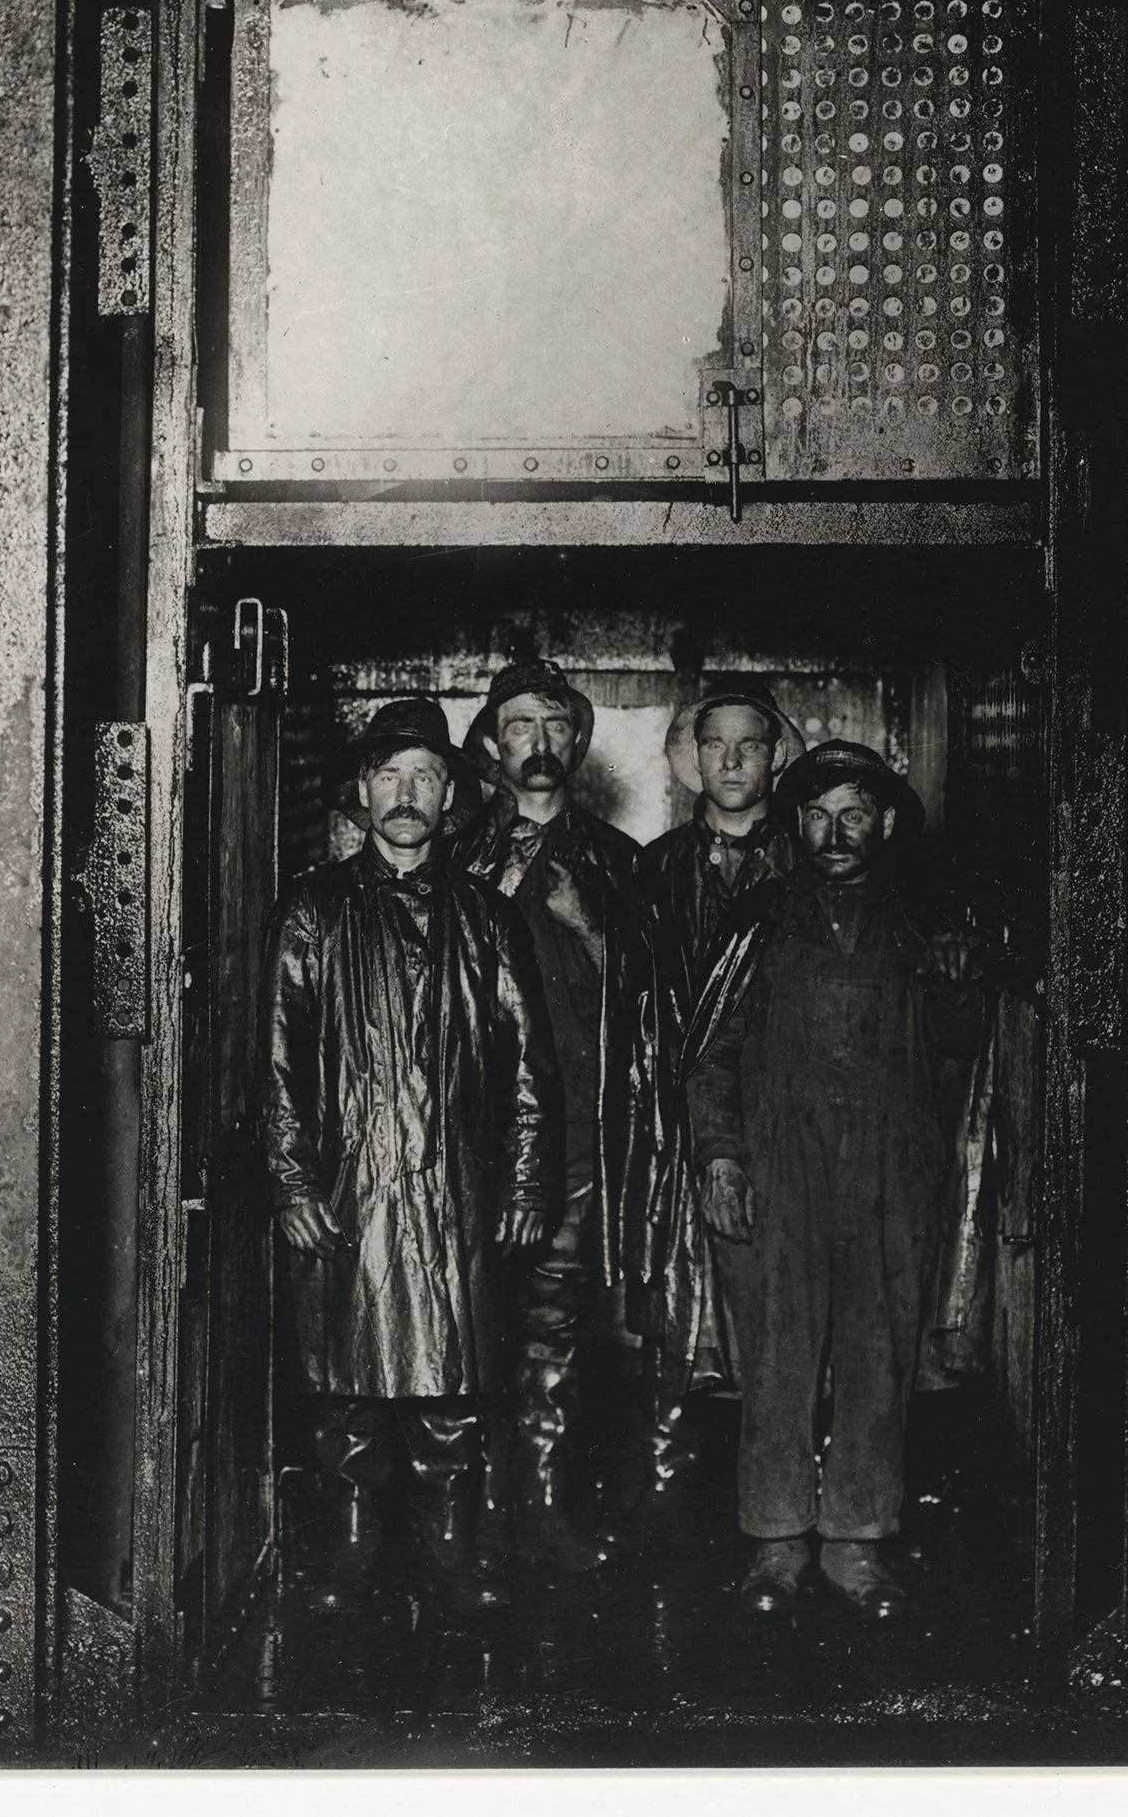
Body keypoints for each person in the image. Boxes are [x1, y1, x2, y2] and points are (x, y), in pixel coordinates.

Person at [263, 695, 556, 1617]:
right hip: (351, 1184)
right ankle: (350, 1554)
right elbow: (273, 1054)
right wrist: (291, 1177)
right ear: (360, 792)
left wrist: (521, 1181)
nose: (404, 794)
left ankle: (450, 1553)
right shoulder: (311, 911)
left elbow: (527, 1069)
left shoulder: (488, 919)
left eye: (423, 777)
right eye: (388, 776)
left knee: (454, 1383)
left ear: (448, 795)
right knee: (346, 1387)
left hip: (458, 1189)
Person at [684, 738, 986, 1619]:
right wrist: (721, 1156)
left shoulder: (925, 923)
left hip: (892, 1165)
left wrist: (961, 989)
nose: (834, 831)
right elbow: (708, 1056)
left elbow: (960, 1051)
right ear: (796, 826)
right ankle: (776, 1543)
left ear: (884, 822)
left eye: (852, 812)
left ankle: (856, 1541)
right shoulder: (759, 921)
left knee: (877, 1348)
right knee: (778, 1351)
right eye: (816, 815)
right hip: (783, 1165)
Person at [455, 658, 662, 1572]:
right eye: (520, 727)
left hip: (577, 1134)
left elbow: (658, 999)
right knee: (460, 1319)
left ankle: (537, 1511)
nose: (539, 745)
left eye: (555, 726)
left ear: (576, 742)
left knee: (552, 1327)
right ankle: (463, 1519)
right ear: (492, 746)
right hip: (464, 1136)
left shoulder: (620, 865)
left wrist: (589, 929)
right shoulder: (455, 854)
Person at [635, 675, 806, 1517]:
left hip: (783, 1123)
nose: (732, 759)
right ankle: (672, 1498)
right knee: (677, 1307)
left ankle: (790, 1492)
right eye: (715, 744)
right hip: (680, 1129)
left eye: (750, 743)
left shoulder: (812, 862)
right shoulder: (656, 869)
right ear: (690, 759)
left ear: (776, 755)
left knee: (789, 1306)